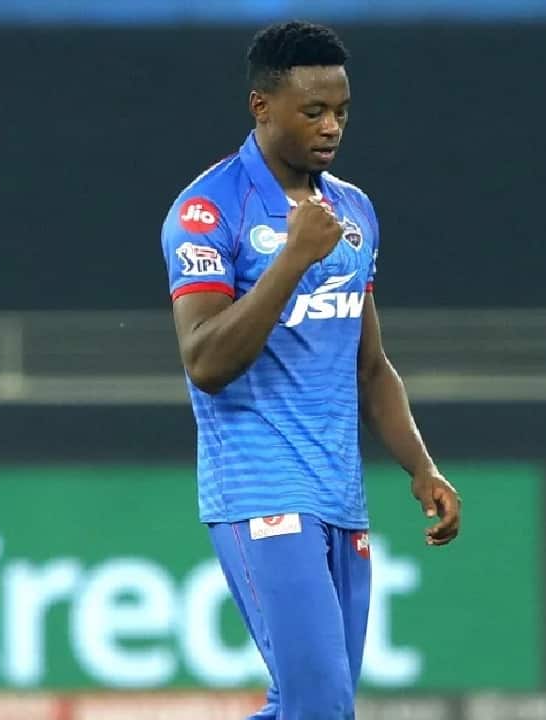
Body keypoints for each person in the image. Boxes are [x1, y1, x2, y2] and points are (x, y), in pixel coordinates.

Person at [158, 20, 461, 719]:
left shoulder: (352, 212)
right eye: (314, 111)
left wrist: (421, 467)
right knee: (321, 707)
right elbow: (205, 361)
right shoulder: (209, 211)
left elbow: (370, 365)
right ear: (262, 106)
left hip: (340, 494)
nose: (332, 128)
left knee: (312, 708)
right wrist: (293, 259)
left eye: (342, 112)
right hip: (260, 487)